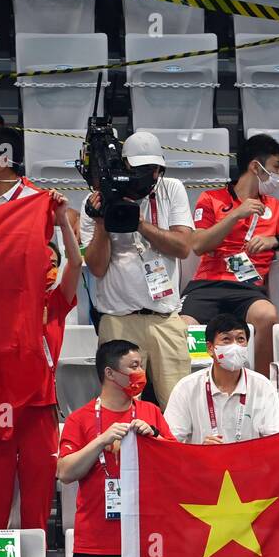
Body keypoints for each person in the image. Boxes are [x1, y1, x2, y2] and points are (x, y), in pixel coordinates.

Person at [0, 191, 81, 530]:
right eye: (44, 263)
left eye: (54, 264)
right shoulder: (1, 305)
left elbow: (77, 262)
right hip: (2, 407)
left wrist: (62, 219)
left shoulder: (56, 305)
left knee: (38, 494)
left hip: (40, 409)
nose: (50, 270)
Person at [58, 339, 173, 557]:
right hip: (96, 543)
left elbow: (176, 466)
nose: (140, 373)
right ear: (110, 373)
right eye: (133, 367)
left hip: (145, 540)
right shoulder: (79, 419)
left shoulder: (151, 413)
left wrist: (155, 440)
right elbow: (65, 472)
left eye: (141, 366)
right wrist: (100, 440)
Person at [81, 130, 194, 408]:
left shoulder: (172, 188)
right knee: (119, 408)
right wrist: (101, 223)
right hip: (119, 320)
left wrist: (140, 223)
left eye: (155, 168)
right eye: (143, 168)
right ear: (125, 165)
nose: (151, 175)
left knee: (180, 407)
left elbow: (182, 247)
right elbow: (96, 267)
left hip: (165, 318)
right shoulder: (96, 201)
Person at [181, 133, 279, 376]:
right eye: (275, 168)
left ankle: (262, 387)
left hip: (248, 289)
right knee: (182, 326)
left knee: (267, 315)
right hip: (208, 284)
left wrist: (275, 241)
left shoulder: (273, 206)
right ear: (255, 166)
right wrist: (235, 215)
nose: (278, 176)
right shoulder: (211, 198)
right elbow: (198, 245)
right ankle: (192, 390)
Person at [165, 313, 279, 444]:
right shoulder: (186, 388)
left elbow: (276, 441)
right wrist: (200, 451)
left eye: (240, 339)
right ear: (210, 348)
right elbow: (170, 443)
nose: (235, 347)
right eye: (226, 340)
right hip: (203, 463)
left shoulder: (263, 386)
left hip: (248, 463)